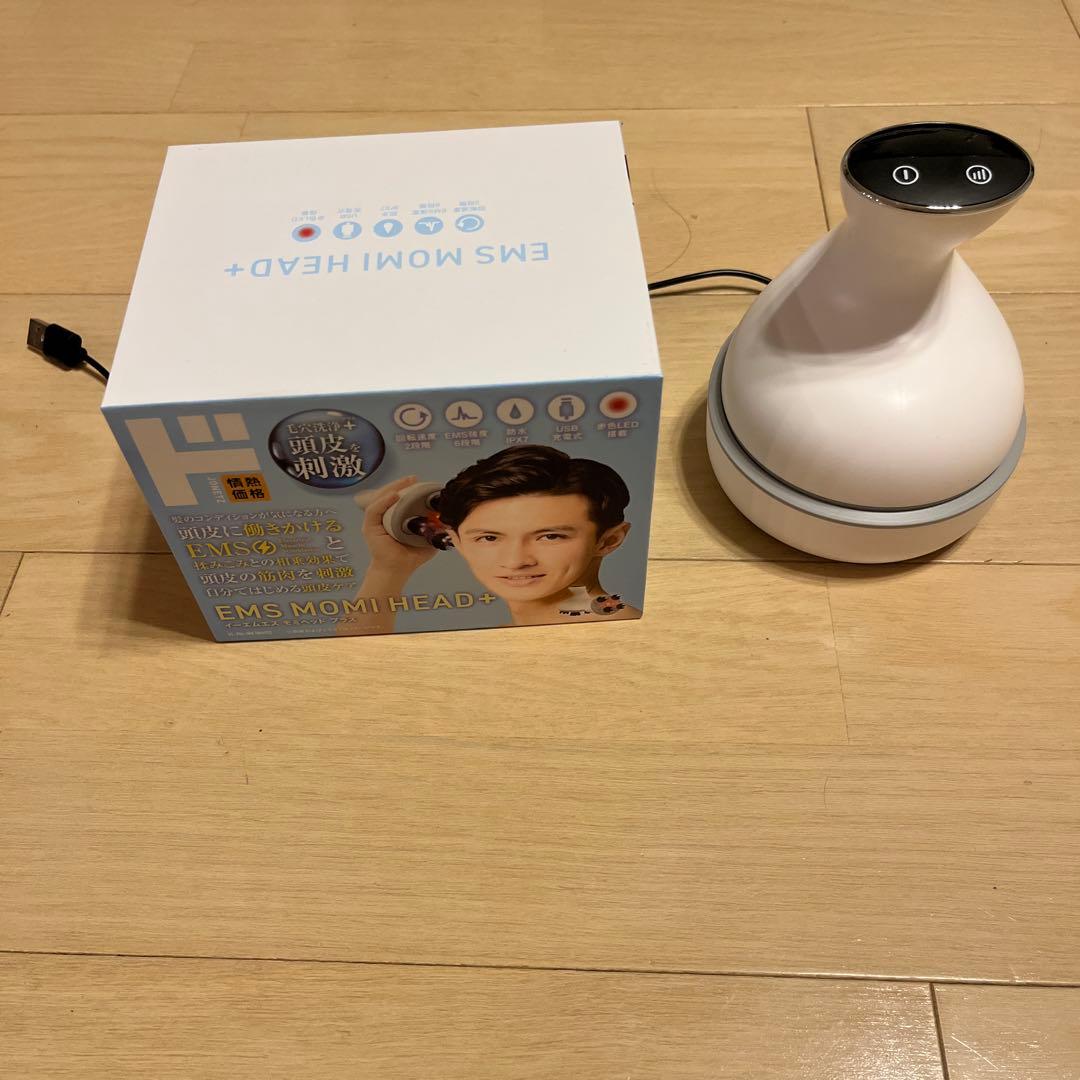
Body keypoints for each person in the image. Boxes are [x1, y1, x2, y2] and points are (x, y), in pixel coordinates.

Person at [336, 445, 639, 635]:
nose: (516, 561)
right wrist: (388, 569)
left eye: (550, 536)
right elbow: (354, 670)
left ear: (609, 540)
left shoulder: (617, 635)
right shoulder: (517, 635)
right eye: (489, 537)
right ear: (455, 541)